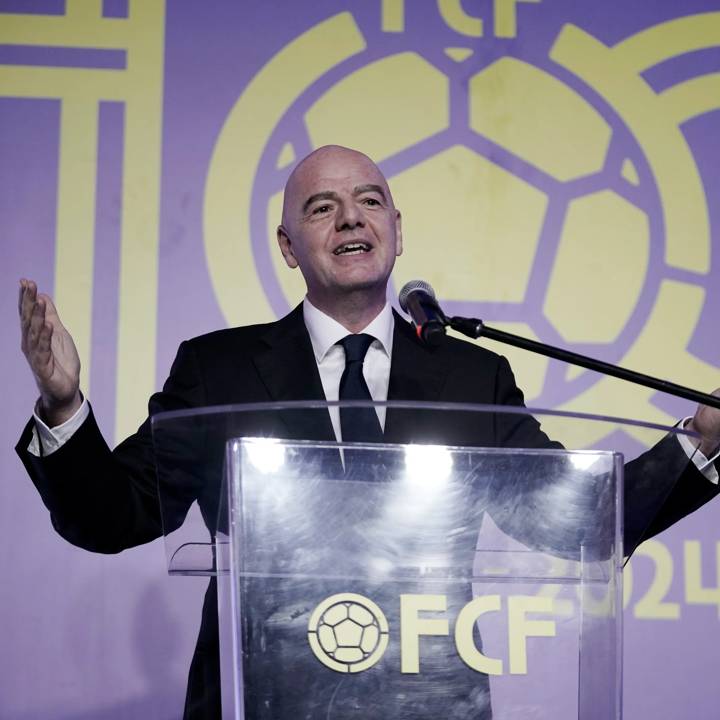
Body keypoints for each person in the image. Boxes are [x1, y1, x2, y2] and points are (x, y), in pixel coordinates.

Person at [17, 145, 720, 719]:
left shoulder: (473, 375)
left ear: (397, 229)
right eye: (323, 208)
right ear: (289, 247)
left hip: (432, 702)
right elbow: (113, 515)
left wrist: (701, 436)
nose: (351, 220)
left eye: (370, 201)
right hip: (263, 702)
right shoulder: (218, 370)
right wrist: (64, 405)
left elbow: (578, 521)